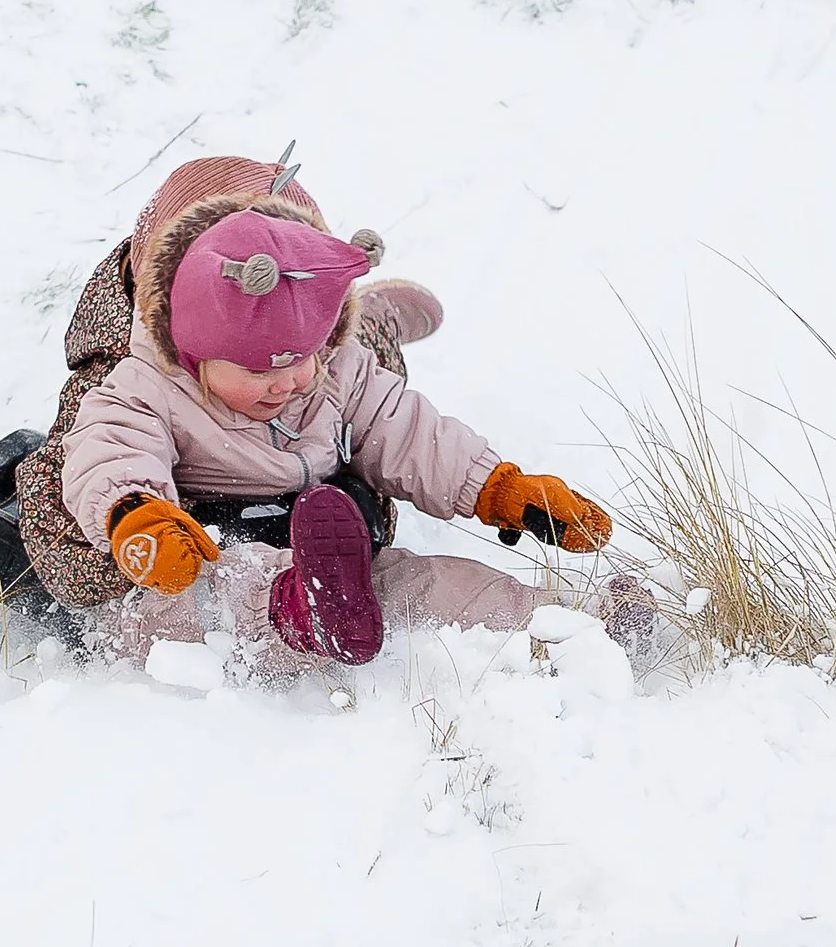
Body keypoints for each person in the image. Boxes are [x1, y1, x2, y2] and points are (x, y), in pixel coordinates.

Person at [55, 178, 612, 668]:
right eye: (258, 370)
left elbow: (406, 430)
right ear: (195, 354)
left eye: (302, 357)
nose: (288, 382)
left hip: (333, 551)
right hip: (206, 552)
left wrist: (495, 488)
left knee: (427, 585)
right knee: (197, 600)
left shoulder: (336, 371)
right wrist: (138, 515)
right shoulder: (148, 388)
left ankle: (572, 627)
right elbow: (110, 448)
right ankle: (302, 609)